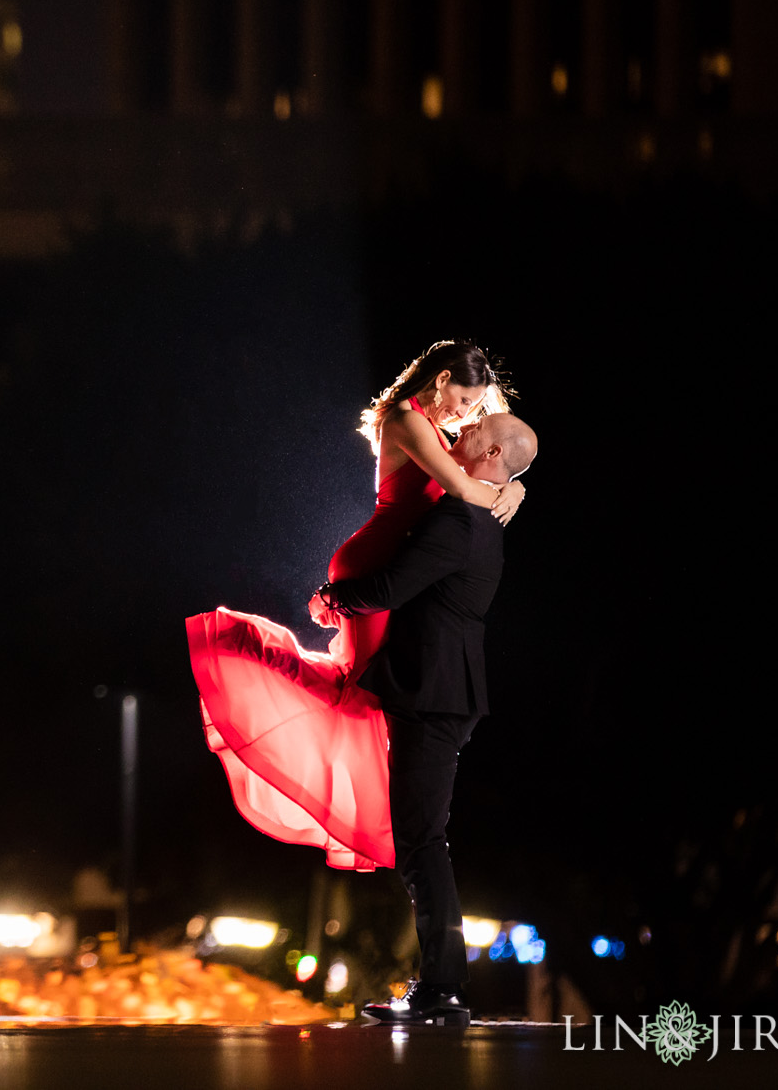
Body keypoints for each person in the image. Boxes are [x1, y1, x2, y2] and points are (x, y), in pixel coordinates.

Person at [184, 341, 525, 871]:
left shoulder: (440, 428)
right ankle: (241, 644)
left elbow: (496, 456)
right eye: (461, 399)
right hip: (372, 562)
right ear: (439, 380)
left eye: (474, 409)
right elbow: (463, 484)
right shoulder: (407, 419)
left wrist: (516, 485)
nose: (465, 415)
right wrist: (509, 491)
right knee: (356, 690)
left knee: (367, 696)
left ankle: (398, 824)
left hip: (390, 567)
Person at [313, 410, 539, 1026]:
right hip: (444, 689)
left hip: (433, 693)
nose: (458, 434)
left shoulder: (460, 518)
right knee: (422, 838)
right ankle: (441, 984)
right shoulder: (483, 513)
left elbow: (389, 589)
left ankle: (441, 987)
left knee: (420, 841)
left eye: (472, 433)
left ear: (490, 453)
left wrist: (331, 600)